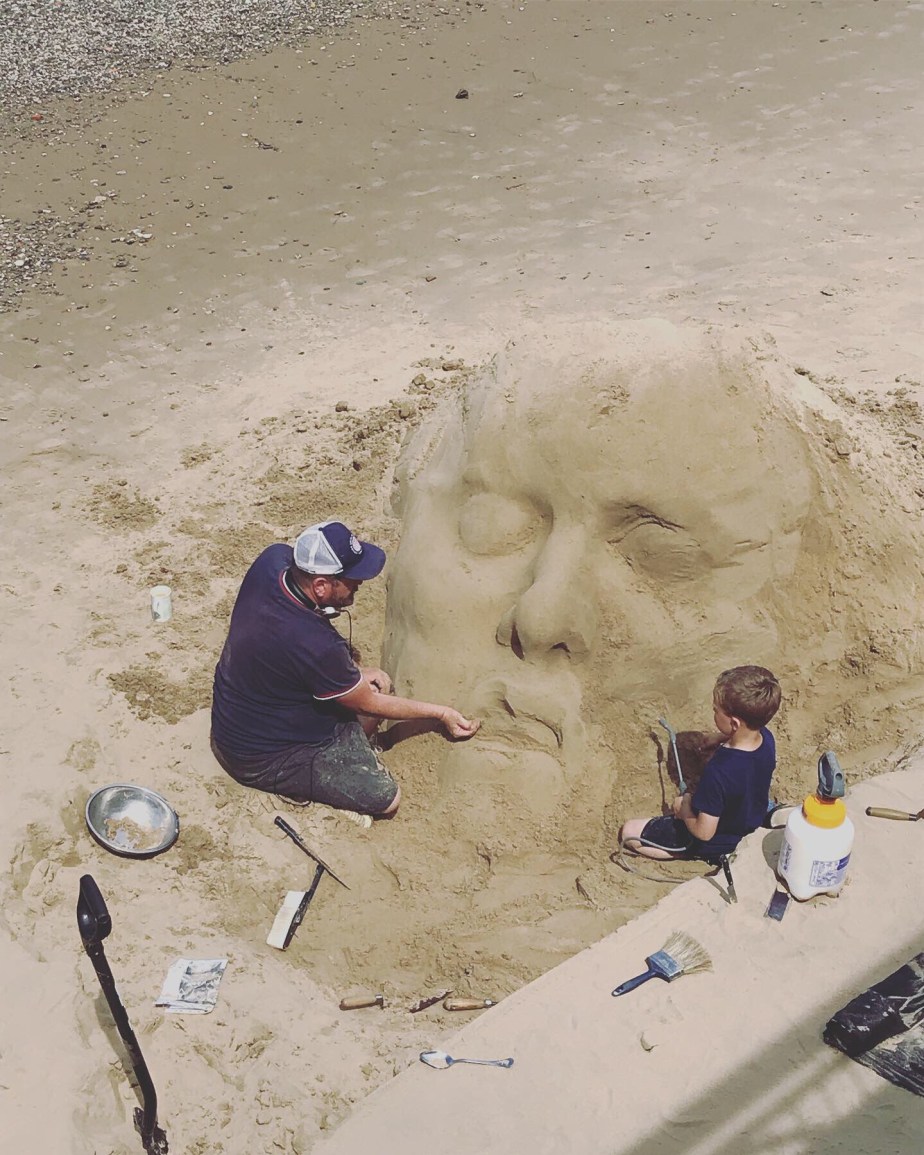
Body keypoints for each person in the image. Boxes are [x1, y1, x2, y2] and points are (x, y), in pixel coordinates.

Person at [210, 519, 481, 818]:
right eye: (351, 579)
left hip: (235, 713)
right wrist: (441, 713)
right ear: (321, 586)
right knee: (386, 797)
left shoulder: (272, 560)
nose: (359, 584)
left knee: (371, 681)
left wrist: (353, 675)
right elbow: (369, 702)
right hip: (259, 757)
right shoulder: (315, 643)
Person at [618, 666, 781, 860]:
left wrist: (684, 808)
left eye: (716, 710)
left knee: (629, 832)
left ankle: (692, 853)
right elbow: (743, 737)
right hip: (751, 816)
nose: (714, 712)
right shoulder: (766, 738)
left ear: (734, 723)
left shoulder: (719, 771)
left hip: (721, 840)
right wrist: (720, 737)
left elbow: (704, 832)